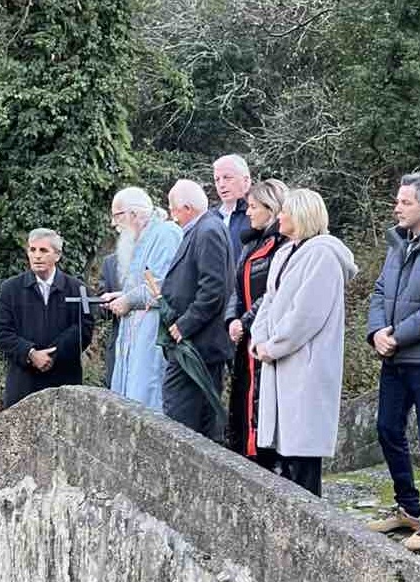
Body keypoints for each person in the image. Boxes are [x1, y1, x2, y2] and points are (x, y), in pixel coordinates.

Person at [365, 171, 420, 544]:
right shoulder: (398, 242)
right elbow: (379, 290)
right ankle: (408, 507)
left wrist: (396, 336)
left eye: (404, 202)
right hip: (394, 357)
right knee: (387, 429)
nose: (397, 208)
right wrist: (376, 333)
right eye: (397, 201)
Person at [250, 189, 358, 496]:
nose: (279, 216)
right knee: (283, 453)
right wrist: (259, 337)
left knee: (302, 455)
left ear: (301, 215)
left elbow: (306, 314)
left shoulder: (323, 255)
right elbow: (269, 300)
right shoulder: (284, 253)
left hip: (304, 364)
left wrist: (273, 346)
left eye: (285, 211)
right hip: (279, 362)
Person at [161, 179, 235, 439]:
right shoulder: (205, 228)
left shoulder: (208, 231)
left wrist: (184, 325)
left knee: (180, 419)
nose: (173, 216)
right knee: (197, 419)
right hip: (195, 344)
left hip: (197, 345)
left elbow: (214, 288)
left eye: (173, 209)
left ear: (187, 208)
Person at [101, 187, 183, 410]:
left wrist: (128, 301)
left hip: (153, 332)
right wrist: (122, 296)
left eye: (117, 216)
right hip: (134, 332)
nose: (114, 224)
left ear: (134, 214)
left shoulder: (166, 234)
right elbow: (141, 285)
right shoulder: (141, 238)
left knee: (147, 395)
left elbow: (162, 285)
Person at [226, 178, 289, 466]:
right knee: (243, 399)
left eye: (253, 207)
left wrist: (247, 320)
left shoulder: (282, 246)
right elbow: (237, 286)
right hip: (246, 336)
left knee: (263, 402)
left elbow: (272, 292)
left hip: (265, 334)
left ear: (271, 208)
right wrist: (232, 318)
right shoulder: (250, 244)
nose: (248, 213)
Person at [0, 228, 92, 409]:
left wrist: (53, 355)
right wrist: (30, 353)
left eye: (43, 250)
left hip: (64, 381)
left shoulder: (77, 289)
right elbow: (1, 331)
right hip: (23, 383)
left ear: (57, 255)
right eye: (33, 250)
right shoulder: (11, 289)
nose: (37, 256)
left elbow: (83, 330)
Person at [213, 153, 252, 252]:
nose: (221, 184)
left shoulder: (256, 214)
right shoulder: (211, 216)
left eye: (227, 178)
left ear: (246, 181)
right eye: (217, 180)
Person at [98, 251, 120, 388]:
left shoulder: (156, 258)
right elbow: (102, 313)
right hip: (118, 345)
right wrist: (104, 305)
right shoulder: (110, 263)